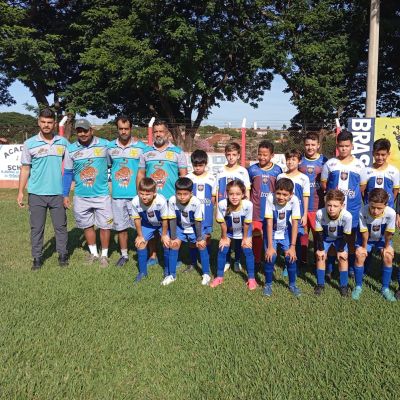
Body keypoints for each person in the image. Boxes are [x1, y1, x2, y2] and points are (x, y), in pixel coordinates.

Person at [17, 108, 69, 269]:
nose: (46, 125)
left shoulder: (63, 143)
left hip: (57, 193)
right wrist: (20, 191)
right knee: (37, 228)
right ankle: (37, 258)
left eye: (49, 122)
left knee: (60, 227)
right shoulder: (29, 143)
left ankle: (62, 255)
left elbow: (69, 168)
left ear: (54, 123)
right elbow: (25, 169)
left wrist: (66, 192)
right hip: (36, 194)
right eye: (43, 122)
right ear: (38, 122)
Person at [137, 120, 187, 266]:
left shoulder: (178, 152)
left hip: (171, 199)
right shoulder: (146, 152)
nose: (158, 134)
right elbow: (141, 174)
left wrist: (182, 196)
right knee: (151, 226)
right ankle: (153, 255)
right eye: (156, 131)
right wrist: (139, 193)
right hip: (151, 199)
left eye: (161, 131)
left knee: (172, 228)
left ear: (167, 133)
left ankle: (174, 255)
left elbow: (183, 175)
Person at [63, 118, 112, 267]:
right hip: (81, 196)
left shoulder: (105, 145)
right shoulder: (71, 149)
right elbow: (67, 173)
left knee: (105, 226)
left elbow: (113, 162)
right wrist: (65, 194)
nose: (83, 134)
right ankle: (94, 254)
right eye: (79, 131)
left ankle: (104, 255)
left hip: (102, 194)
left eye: (85, 130)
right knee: (87, 225)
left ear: (91, 130)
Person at [321, 130, 367, 277]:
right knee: (332, 237)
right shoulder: (330, 164)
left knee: (350, 239)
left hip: (352, 209)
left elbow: (362, 186)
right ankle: (330, 268)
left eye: (347, 146)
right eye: (341, 146)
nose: (344, 149)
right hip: (333, 210)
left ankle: (351, 268)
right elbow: (324, 184)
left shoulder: (359, 165)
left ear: (352, 146)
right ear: (337, 146)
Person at [107, 115, 148, 267]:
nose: (123, 131)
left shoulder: (141, 148)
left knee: (141, 226)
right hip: (118, 195)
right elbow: (108, 166)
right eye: (120, 129)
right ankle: (124, 255)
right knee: (121, 227)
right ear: (117, 129)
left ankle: (143, 253)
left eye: (126, 128)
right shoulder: (110, 147)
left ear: (131, 128)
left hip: (138, 195)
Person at [210, 180, 256, 290]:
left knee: (247, 249)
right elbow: (222, 223)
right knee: (222, 249)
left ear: (243, 194)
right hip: (229, 231)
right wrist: (224, 237)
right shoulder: (222, 204)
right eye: (231, 194)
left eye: (238, 194)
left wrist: (245, 238)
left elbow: (247, 224)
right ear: (227, 194)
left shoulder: (248, 205)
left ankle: (251, 278)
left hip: (244, 231)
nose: (234, 197)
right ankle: (219, 277)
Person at [164, 177, 211, 286]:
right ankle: (171, 275)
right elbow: (172, 219)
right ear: (175, 193)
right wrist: (173, 237)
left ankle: (206, 274)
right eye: (179, 194)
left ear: (191, 193)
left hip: (194, 227)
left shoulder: (196, 202)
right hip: (180, 227)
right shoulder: (172, 200)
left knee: (201, 245)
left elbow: (198, 222)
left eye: (185, 194)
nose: (182, 197)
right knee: (174, 245)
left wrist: (199, 238)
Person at [352, 188, 396, 301]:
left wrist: (386, 247)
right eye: (372, 207)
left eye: (379, 208)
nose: (375, 211)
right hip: (366, 239)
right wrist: (363, 247)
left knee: (388, 256)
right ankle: (358, 286)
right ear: (368, 202)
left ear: (385, 205)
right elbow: (364, 232)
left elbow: (388, 233)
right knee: (360, 255)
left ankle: (385, 288)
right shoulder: (363, 211)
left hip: (382, 239)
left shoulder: (391, 213)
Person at [216, 142, 251, 272]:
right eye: (228, 154)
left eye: (234, 154)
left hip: (238, 208)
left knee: (238, 234)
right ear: (225, 155)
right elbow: (217, 189)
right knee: (225, 232)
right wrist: (217, 206)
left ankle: (237, 260)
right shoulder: (220, 170)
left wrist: (245, 205)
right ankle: (226, 260)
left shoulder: (243, 171)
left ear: (238, 155)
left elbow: (247, 189)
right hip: (224, 208)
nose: (231, 157)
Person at [247, 140, 282, 270]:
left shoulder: (277, 170)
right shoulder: (252, 170)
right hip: (256, 208)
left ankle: (269, 260)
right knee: (256, 234)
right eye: (259, 154)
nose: (262, 157)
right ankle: (256, 260)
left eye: (265, 155)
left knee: (270, 234)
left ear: (272, 155)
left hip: (271, 209)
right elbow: (248, 189)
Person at [263, 178, 301, 297]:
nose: (280, 197)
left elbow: (295, 223)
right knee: (271, 257)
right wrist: (270, 247)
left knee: (290, 257)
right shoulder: (270, 198)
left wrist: (292, 247)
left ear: (291, 195)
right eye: (278, 193)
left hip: (285, 231)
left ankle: (292, 284)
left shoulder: (295, 200)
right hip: (272, 231)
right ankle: (268, 284)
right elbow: (269, 223)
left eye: (285, 194)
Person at [313, 190, 353, 297]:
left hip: (340, 238)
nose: (331, 209)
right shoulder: (320, 213)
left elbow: (346, 235)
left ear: (342, 206)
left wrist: (341, 250)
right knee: (320, 256)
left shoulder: (347, 216)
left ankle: (343, 285)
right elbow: (319, 233)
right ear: (325, 203)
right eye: (329, 205)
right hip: (326, 237)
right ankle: (320, 284)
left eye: (335, 206)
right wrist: (321, 249)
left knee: (343, 258)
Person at [131, 178, 170, 283]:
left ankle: (167, 270)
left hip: (161, 224)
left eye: (147, 194)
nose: (144, 197)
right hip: (147, 224)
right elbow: (137, 219)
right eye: (141, 193)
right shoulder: (135, 201)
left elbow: (165, 220)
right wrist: (140, 236)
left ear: (154, 193)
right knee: (140, 243)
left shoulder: (161, 201)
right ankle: (143, 272)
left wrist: (164, 235)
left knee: (167, 243)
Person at [277, 149, 310, 273]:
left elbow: (305, 197)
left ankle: (296, 264)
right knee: (286, 238)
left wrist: (305, 214)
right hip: (284, 214)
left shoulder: (304, 178)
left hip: (298, 214)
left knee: (297, 238)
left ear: (299, 161)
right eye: (288, 159)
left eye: (293, 159)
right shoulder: (281, 176)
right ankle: (288, 264)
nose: (290, 162)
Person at [186, 149, 216, 271]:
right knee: (192, 237)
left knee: (207, 237)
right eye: (195, 165)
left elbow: (213, 197)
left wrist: (210, 210)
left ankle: (206, 260)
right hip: (192, 216)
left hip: (206, 215)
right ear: (192, 164)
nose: (198, 168)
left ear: (205, 164)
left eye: (200, 165)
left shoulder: (211, 178)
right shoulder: (188, 178)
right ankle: (193, 262)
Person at [298, 132, 327, 243]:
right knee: (303, 235)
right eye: (307, 145)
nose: (310, 147)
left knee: (318, 236)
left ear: (318, 145)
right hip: (302, 206)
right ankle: (302, 255)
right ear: (304, 145)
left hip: (318, 205)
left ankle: (318, 254)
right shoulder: (299, 161)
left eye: (313, 145)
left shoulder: (324, 161)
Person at [365, 139, 399, 208]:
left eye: (383, 155)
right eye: (377, 154)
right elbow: (362, 192)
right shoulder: (366, 171)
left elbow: (395, 192)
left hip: (388, 209)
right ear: (373, 153)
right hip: (370, 210)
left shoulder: (394, 171)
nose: (380, 158)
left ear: (388, 154)